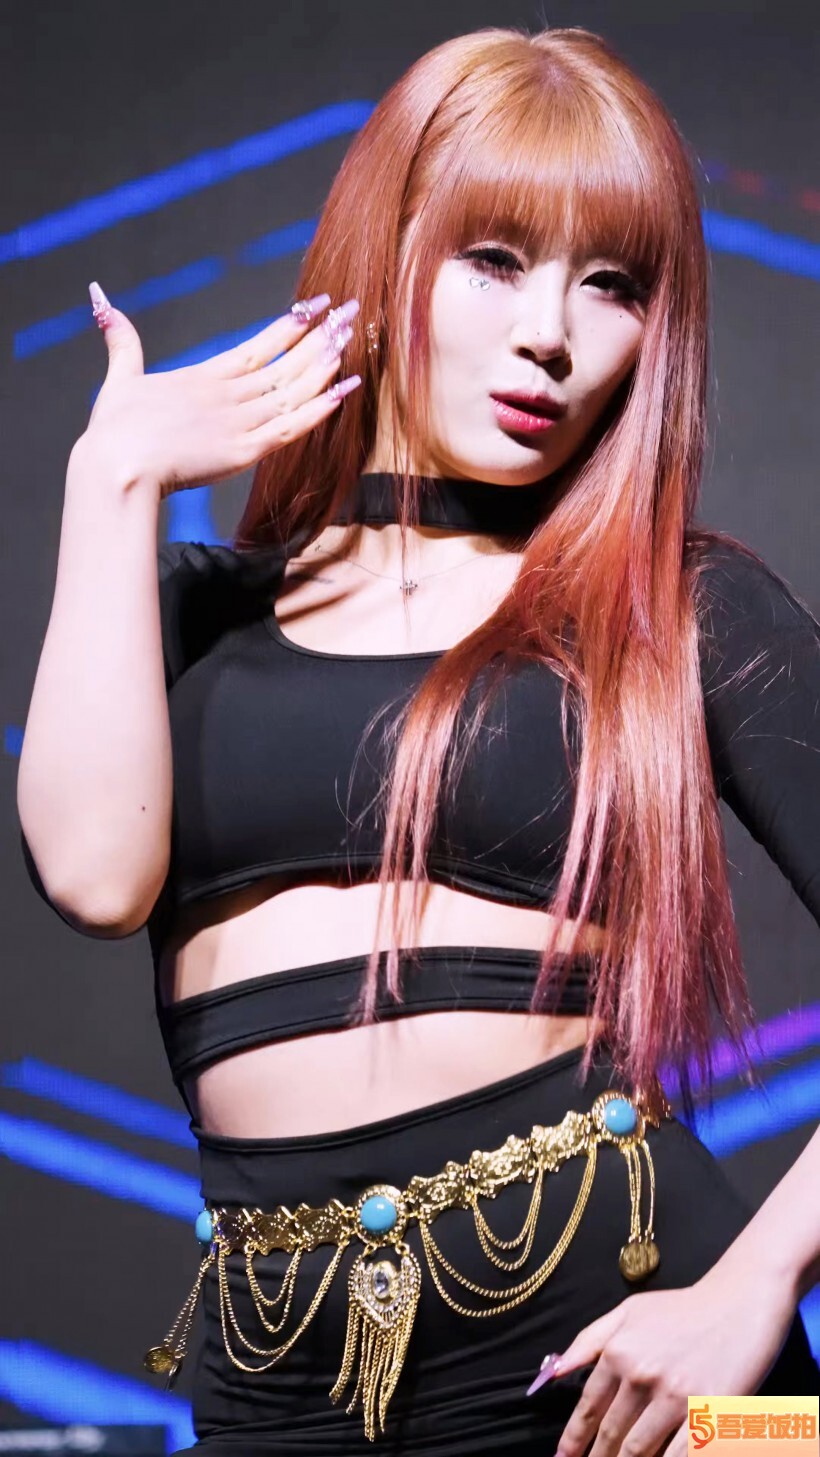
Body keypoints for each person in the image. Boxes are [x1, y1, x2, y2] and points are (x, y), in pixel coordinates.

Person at [17, 23, 820, 1457]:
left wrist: (756, 1286)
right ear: (388, 257)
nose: (552, 335)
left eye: (612, 284)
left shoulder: (681, 607)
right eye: (496, 260)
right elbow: (90, 873)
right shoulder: (188, 609)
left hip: (657, 1382)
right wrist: (112, 478)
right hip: (279, 1379)